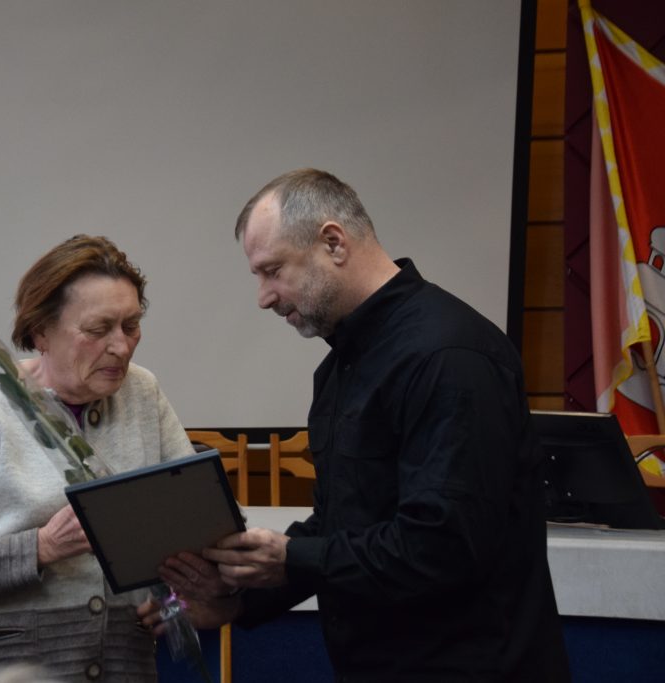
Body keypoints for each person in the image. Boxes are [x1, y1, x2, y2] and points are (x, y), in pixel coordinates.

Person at [140, 169, 571, 681]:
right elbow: (342, 525)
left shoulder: (449, 356)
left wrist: (292, 557)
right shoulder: (341, 365)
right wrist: (239, 600)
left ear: (333, 243)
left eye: (272, 270)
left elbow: (445, 546)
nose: (264, 296)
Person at [0, 234, 194, 682]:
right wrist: (40, 548)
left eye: (131, 325)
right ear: (40, 332)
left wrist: (177, 597)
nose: (122, 346)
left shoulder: (143, 394)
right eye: (98, 329)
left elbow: (193, 525)